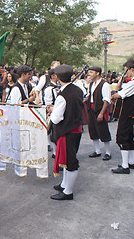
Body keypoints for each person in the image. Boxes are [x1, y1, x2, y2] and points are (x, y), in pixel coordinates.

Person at [47, 65, 83, 200]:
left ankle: (68, 191)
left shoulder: (63, 95)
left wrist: (52, 111)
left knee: (70, 162)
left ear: (57, 77)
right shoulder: (77, 89)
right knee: (68, 161)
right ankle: (64, 184)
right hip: (75, 129)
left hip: (67, 131)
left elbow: (57, 118)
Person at [111, 59, 134, 174]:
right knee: (129, 137)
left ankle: (125, 166)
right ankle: (131, 162)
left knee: (122, 137)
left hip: (128, 113)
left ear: (131, 69)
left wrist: (113, 96)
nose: (125, 73)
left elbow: (119, 94)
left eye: (126, 71)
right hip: (132, 113)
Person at [84, 66, 112, 161]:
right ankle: (97, 150)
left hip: (99, 110)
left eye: (91, 72)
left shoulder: (105, 85)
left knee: (103, 130)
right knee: (93, 130)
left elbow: (107, 100)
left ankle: (108, 152)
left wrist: (101, 113)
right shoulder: (92, 84)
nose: (89, 74)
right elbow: (90, 96)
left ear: (97, 73)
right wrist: (84, 99)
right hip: (91, 110)